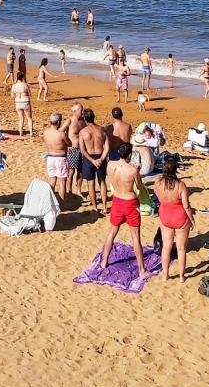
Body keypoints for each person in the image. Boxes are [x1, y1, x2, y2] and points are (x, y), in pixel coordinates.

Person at [97, 143, 145, 277]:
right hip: (130, 202)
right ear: (129, 155)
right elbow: (140, 187)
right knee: (135, 236)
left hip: (117, 200)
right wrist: (138, 172)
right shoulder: (133, 170)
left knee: (112, 232)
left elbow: (111, 179)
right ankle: (142, 269)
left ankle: (104, 261)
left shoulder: (110, 165)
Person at [151, 157, 194, 280]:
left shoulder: (158, 182)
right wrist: (191, 219)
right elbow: (186, 206)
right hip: (180, 216)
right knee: (181, 248)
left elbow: (157, 196)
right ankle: (181, 276)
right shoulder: (180, 185)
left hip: (165, 215)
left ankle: (165, 274)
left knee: (166, 247)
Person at [78, 108, 109, 213]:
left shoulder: (83, 132)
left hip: (89, 158)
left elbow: (83, 150)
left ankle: (95, 207)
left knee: (91, 184)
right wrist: (101, 159)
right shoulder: (102, 130)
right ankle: (105, 206)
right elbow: (107, 147)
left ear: (85, 120)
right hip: (100, 157)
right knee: (102, 182)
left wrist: (92, 160)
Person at [42, 112, 70, 200]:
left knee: (52, 180)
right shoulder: (61, 134)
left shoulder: (45, 133)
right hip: (60, 158)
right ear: (58, 122)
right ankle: (62, 203)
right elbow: (69, 143)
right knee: (62, 181)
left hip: (50, 157)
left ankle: (50, 201)